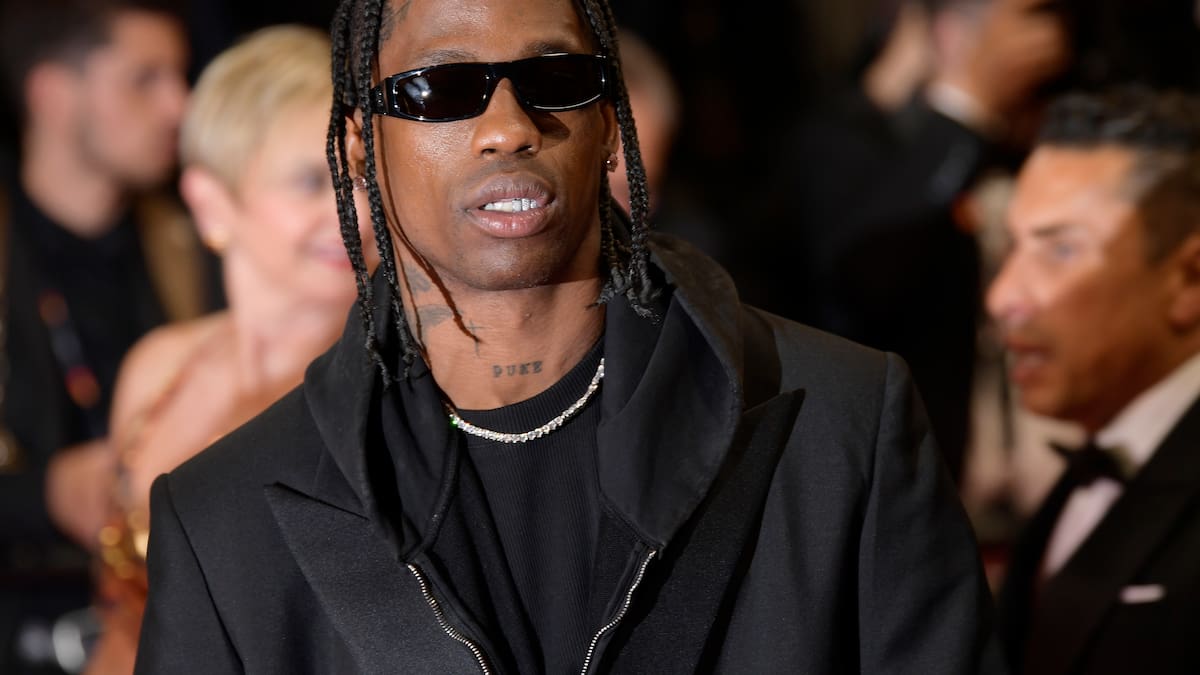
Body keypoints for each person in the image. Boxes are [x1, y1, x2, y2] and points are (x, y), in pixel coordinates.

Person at [135, 1, 1002, 673]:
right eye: (443, 88)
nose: (510, 127)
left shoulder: (844, 426)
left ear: (609, 119)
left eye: (556, 79)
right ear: (362, 146)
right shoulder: (223, 520)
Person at [80, 24, 376, 675]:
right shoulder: (159, 366)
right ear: (211, 202)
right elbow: (119, 623)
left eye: (363, 180)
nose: (353, 213)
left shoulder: (385, 389)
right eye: (310, 181)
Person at [744, 0, 1071, 484]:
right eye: (1025, 17)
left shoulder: (1013, 136)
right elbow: (862, 279)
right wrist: (967, 99)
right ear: (947, 30)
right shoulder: (838, 139)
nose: (1043, 40)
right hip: (880, 460)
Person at [0, 1, 209, 672]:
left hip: (167, 619)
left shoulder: (197, 242)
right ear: (53, 95)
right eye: (144, 79)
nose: (180, 106)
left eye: (179, 76)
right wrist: (46, 495)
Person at [989, 87, 1200, 675]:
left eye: (1059, 249)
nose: (1003, 296)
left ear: (1189, 279)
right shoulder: (1095, 463)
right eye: (1012, 246)